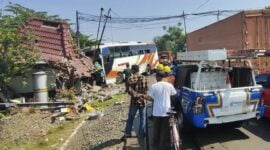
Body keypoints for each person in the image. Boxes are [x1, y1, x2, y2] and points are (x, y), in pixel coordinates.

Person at [148, 71, 177, 150]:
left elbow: (150, 98)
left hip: (156, 112)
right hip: (166, 111)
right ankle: (164, 146)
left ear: (157, 77)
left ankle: (155, 146)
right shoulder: (169, 85)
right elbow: (174, 95)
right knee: (165, 130)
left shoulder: (153, 86)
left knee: (156, 130)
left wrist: (155, 98)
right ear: (164, 77)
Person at [122, 65, 149, 140]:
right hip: (143, 101)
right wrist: (142, 95)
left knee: (131, 118)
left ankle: (127, 133)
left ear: (133, 70)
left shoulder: (130, 78)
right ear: (138, 70)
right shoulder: (145, 78)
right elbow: (147, 90)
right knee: (143, 118)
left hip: (134, 101)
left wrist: (135, 95)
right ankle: (141, 134)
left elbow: (128, 90)